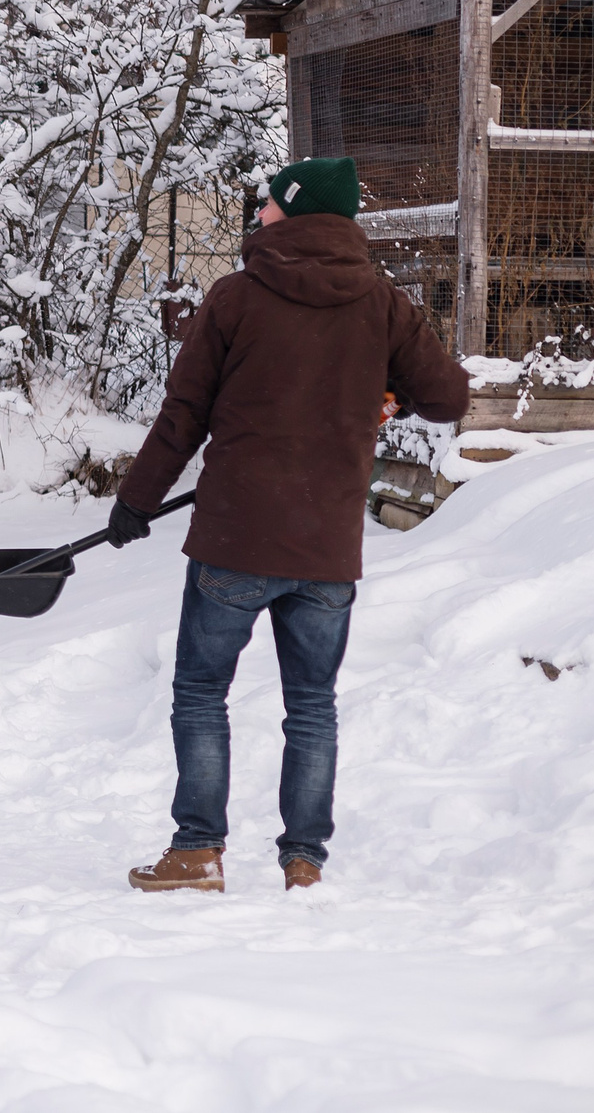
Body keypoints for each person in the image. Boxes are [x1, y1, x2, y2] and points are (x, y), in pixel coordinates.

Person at [109, 156, 467, 893]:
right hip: (325, 547)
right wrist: (388, 387)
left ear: (296, 211)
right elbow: (449, 397)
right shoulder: (382, 303)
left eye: (270, 202)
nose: (260, 212)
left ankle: (198, 850)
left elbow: (184, 415)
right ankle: (303, 861)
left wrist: (135, 502)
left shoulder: (237, 296)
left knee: (201, 692)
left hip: (235, 539)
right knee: (311, 706)